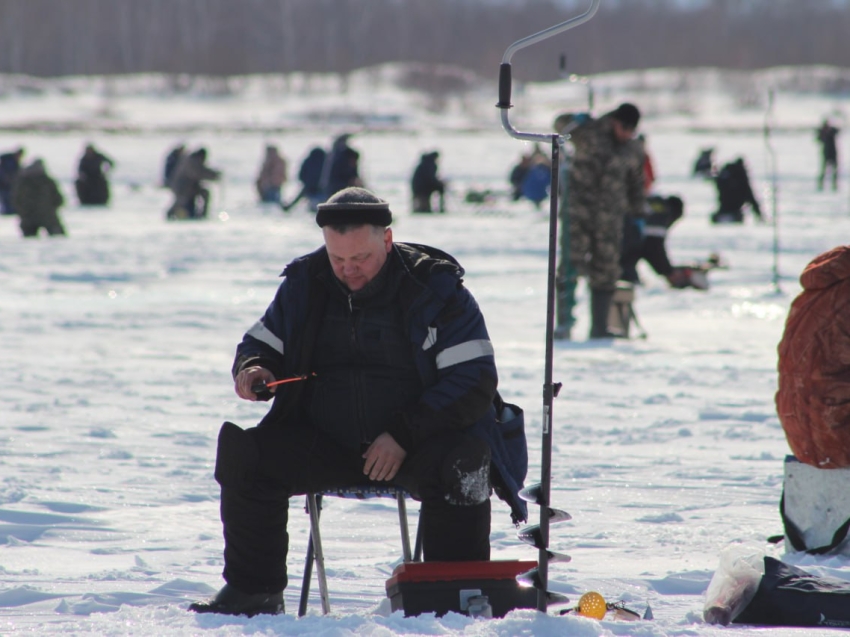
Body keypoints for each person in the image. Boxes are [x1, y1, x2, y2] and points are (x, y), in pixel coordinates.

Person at [189, 187, 528, 617]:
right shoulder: (305, 282)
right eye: (338, 260)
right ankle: (252, 591)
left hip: (418, 445)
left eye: (361, 259)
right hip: (324, 442)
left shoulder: (435, 288)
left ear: (386, 240)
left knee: (466, 460)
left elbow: (474, 379)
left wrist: (404, 433)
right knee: (246, 453)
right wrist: (254, 368)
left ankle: (453, 596)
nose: (349, 271)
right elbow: (262, 341)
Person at [567, 102, 646, 339]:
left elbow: (636, 183)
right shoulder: (589, 132)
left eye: (632, 131)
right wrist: (573, 120)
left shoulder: (632, 148)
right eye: (625, 129)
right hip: (579, 213)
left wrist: (638, 214)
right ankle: (563, 325)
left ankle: (599, 328)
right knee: (571, 266)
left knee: (606, 270)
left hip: (610, 219)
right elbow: (559, 128)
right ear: (614, 121)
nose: (627, 134)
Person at [12, 159, 66, 237]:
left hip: (28, 216)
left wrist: (22, 210)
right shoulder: (46, 180)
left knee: (28, 242)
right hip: (47, 215)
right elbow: (58, 198)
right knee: (58, 237)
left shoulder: (23, 181)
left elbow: (16, 198)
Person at [166, 147, 221, 220]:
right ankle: (172, 214)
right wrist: (214, 175)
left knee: (203, 193)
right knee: (182, 202)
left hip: (189, 187)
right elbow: (199, 172)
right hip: (183, 188)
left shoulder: (192, 160)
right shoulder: (192, 162)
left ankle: (200, 214)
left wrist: (214, 174)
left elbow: (202, 170)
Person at [711, 157, 762, 224]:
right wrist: (759, 214)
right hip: (735, 213)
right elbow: (750, 197)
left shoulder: (725, 175)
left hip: (722, 211)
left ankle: (723, 217)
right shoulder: (741, 177)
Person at [282, 146, 326, 212]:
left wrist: (306, 182)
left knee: (300, 197)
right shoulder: (325, 162)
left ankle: (288, 207)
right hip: (321, 188)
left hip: (308, 187)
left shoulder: (308, 160)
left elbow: (301, 175)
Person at [321, 134, 363, 200]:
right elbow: (333, 182)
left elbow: (355, 178)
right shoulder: (338, 165)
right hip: (335, 192)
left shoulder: (352, 167)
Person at [816, 119, 839, 192]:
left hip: (833, 153)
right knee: (823, 170)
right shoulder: (823, 132)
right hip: (826, 153)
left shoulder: (832, 130)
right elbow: (818, 140)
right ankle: (821, 184)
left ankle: (834, 185)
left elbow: (837, 131)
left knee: (834, 170)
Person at [0, 147, 24, 215]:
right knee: (7, 198)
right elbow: (7, 174)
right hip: (5, 184)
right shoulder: (10, 162)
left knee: (9, 198)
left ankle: (9, 210)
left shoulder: (12, 161)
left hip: (8, 184)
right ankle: (8, 211)